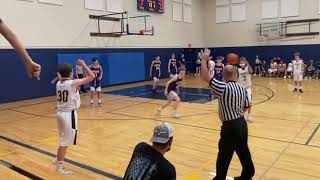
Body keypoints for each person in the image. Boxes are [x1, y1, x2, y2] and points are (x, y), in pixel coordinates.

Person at [201, 49, 255, 180]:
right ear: (236, 75)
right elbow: (247, 105)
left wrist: (204, 60)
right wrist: (237, 114)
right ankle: (248, 174)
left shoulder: (222, 87)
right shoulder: (242, 89)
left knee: (224, 155)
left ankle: (220, 178)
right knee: (243, 150)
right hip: (242, 124)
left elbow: (205, 77)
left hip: (230, 127)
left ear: (224, 76)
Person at [53, 59, 95, 175]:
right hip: (68, 115)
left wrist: (61, 73)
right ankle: (59, 167)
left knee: (63, 138)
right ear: (71, 73)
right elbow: (92, 76)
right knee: (65, 142)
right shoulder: (72, 83)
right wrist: (83, 65)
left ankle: (57, 159)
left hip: (60, 113)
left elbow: (61, 76)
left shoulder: (58, 83)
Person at [238, 57, 254, 123]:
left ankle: (249, 115)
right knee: (240, 103)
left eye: (243, 62)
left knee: (249, 102)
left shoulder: (248, 68)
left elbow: (251, 71)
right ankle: (241, 115)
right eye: (241, 62)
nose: (242, 63)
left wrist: (247, 63)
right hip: (240, 88)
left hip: (248, 88)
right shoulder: (238, 69)